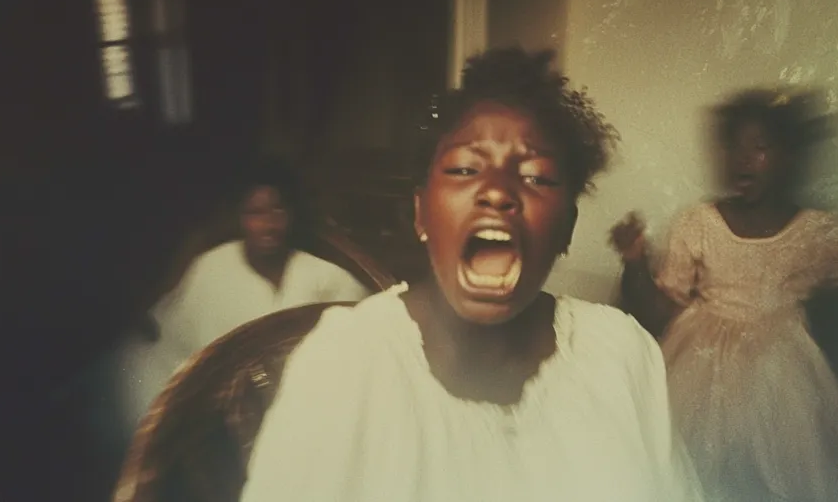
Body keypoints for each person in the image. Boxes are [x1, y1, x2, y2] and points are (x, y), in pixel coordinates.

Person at [240, 48, 705, 502]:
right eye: (465, 168)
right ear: (421, 215)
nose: (498, 193)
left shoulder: (621, 354)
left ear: (567, 228)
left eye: (537, 176)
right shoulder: (346, 365)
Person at [610, 88, 838, 502]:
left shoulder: (815, 231)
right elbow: (659, 310)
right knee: (683, 468)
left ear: (788, 160)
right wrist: (636, 259)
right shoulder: (700, 221)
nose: (742, 158)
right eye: (732, 147)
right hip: (699, 362)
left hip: (781, 368)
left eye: (760, 147)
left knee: (784, 473)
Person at [78, 157, 372, 469]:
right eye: (255, 213)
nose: (269, 224)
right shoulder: (213, 265)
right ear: (241, 219)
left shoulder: (319, 273)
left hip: (286, 396)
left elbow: (365, 313)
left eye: (278, 211)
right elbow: (178, 326)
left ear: (292, 214)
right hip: (211, 388)